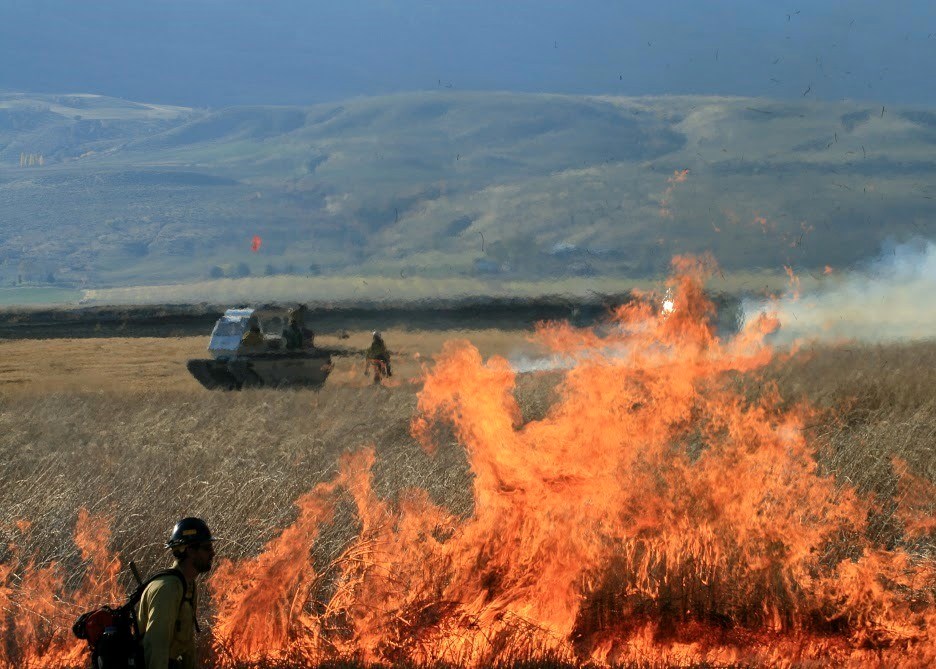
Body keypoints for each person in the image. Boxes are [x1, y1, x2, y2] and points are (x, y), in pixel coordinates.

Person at [136, 517, 216, 669]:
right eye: (207, 548)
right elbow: (156, 645)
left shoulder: (188, 584)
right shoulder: (168, 588)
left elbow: (187, 641)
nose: (213, 553)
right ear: (190, 550)